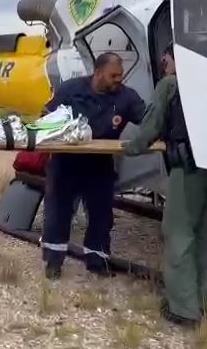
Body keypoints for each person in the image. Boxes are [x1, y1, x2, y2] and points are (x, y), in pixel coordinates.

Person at [122, 42, 207, 327]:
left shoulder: (172, 85)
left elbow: (150, 127)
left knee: (180, 234)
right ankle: (205, 302)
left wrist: (131, 147)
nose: (164, 64)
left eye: (167, 58)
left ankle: (183, 309)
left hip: (189, 170)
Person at [41, 52, 146, 280]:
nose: (119, 79)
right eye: (114, 75)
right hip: (66, 163)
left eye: (121, 74)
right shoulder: (70, 90)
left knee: (101, 215)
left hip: (100, 166)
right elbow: (46, 119)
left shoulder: (127, 97)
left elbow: (148, 121)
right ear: (98, 73)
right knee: (58, 212)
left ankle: (97, 261)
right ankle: (53, 261)